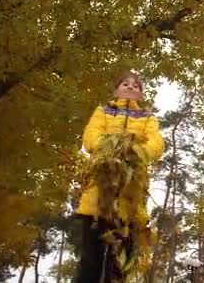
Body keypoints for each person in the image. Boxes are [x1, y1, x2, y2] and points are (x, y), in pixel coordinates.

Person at [75, 72, 164, 282]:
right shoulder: (103, 111)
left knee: (119, 264)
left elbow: (156, 143)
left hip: (129, 197)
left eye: (136, 86)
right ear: (116, 90)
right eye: (126, 83)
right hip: (97, 198)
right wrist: (108, 151)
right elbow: (91, 136)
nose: (131, 87)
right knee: (90, 260)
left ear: (141, 94)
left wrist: (136, 154)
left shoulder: (147, 117)